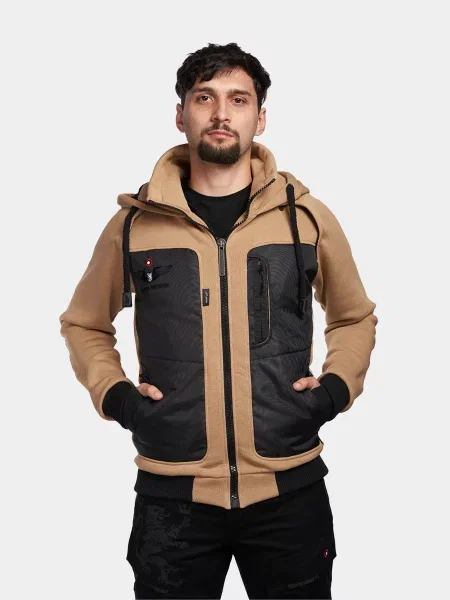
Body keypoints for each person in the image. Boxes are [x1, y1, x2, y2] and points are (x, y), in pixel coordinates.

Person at [59, 42, 378, 599]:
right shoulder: (134, 225)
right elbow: (84, 323)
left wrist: (333, 390)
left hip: (289, 492)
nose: (222, 114)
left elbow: (354, 316)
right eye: (205, 98)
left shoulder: (304, 217)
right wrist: (118, 398)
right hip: (172, 498)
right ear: (181, 114)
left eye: (238, 99)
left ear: (261, 116)